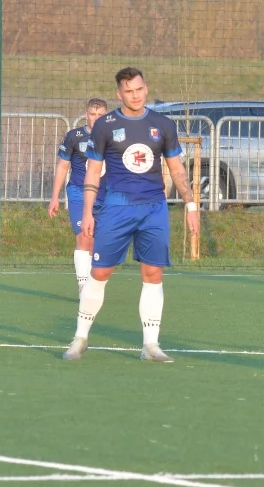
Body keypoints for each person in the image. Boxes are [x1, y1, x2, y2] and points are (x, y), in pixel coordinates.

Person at [62, 67, 200, 363]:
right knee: (100, 273)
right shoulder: (105, 125)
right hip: (116, 207)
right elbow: (93, 172)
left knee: (153, 273)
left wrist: (191, 205)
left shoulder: (162, 124)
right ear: (119, 94)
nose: (134, 95)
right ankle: (80, 337)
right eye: (128, 91)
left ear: (145, 88)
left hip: (153, 208)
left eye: (138, 89)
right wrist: (88, 212)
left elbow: (177, 170)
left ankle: (151, 345)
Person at [48, 97, 108, 294]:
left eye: (100, 115)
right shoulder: (74, 136)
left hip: (106, 196)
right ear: (86, 115)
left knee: (97, 243)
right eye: (92, 114)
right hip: (78, 193)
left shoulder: (114, 138)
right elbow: (63, 166)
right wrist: (55, 197)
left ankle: (92, 283)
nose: (96, 118)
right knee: (84, 236)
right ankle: (84, 287)